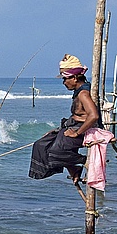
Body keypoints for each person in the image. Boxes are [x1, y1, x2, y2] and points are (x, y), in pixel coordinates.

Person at [29, 54, 100, 185]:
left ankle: (85, 161)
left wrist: (77, 133)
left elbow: (94, 116)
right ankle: (74, 168)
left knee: (54, 152)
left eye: (65, 79)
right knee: (40, 145)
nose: (64, 82)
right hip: (71, 125)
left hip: (83, 129)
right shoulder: (78, 90)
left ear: (74, 78)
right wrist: (58, 130)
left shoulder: (84, 93)